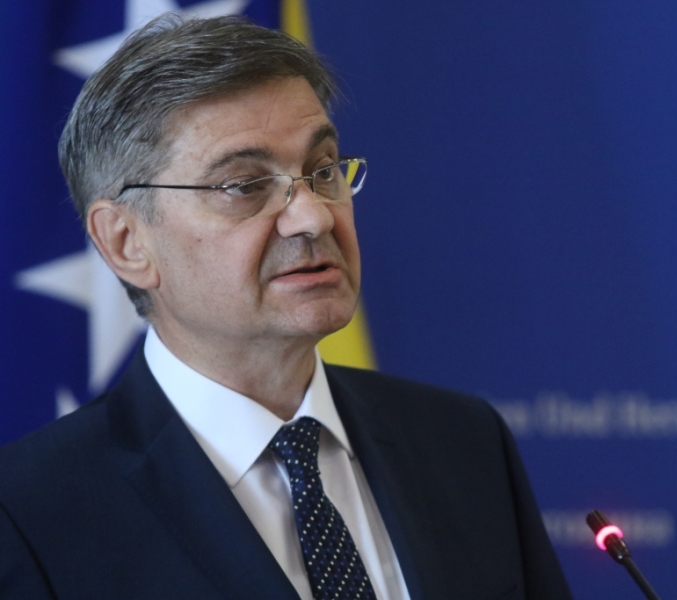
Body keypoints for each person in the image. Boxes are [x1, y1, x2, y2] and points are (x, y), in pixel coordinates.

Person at [0, 14, 572, 600]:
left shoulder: (464, 441)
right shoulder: (28, 517)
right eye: (244, 186)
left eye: (323, 171)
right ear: (126, 242)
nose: (313, 217)